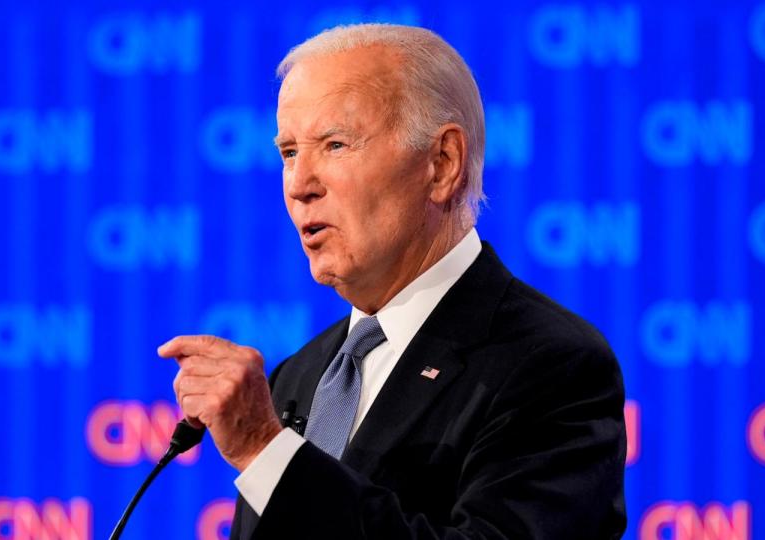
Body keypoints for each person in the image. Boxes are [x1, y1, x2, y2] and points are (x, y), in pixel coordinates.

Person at [158, 23, 627, 539]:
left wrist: (265, 454)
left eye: (334, 145)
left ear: (442, 163)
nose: (299, 185)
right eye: (289, 152)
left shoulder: (551, 365)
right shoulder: (299, 377)